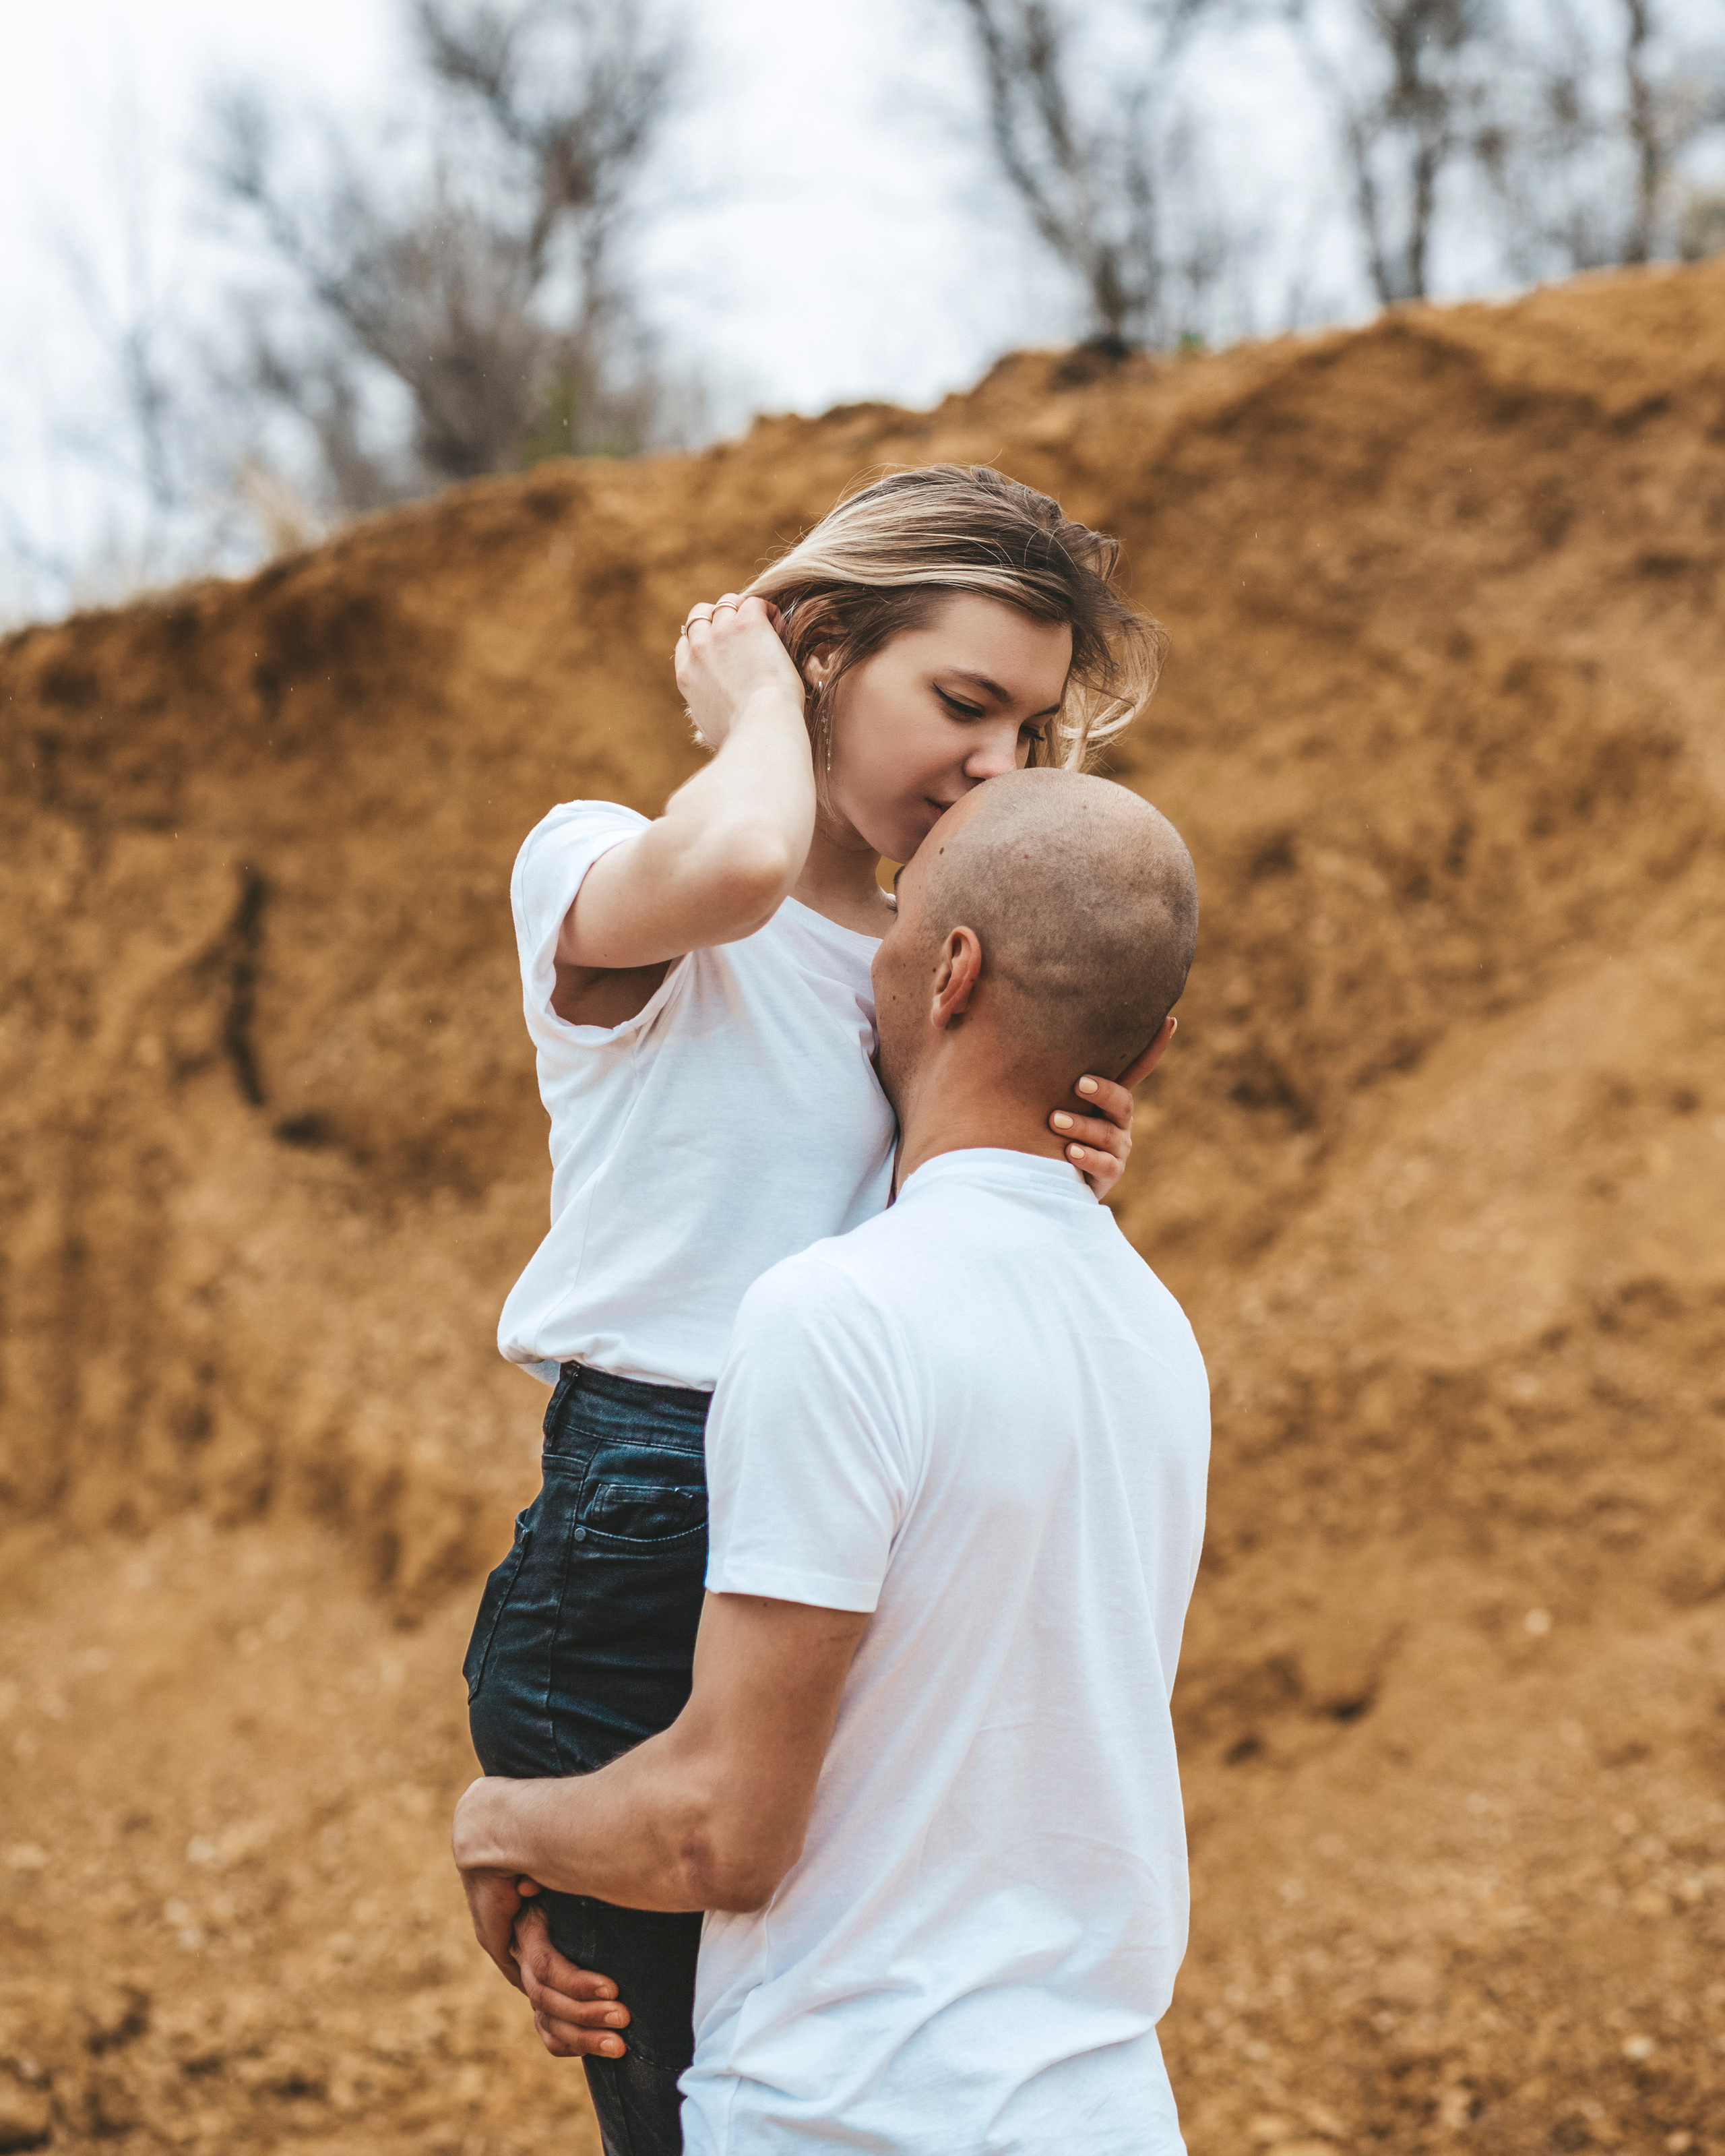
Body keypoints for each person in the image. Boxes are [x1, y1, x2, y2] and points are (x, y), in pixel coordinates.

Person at [462, 466, 1171, 2154]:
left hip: (856, 1513)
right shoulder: (624, 871)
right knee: (704, 2087)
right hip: (650, 1530)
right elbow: (738, 855)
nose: (994, 763)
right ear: (822, 650)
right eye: (961, 702)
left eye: (1027, 730)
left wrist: (1070, 1153)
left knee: (825, 2011)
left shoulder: (934, 952)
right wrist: (754, 698)